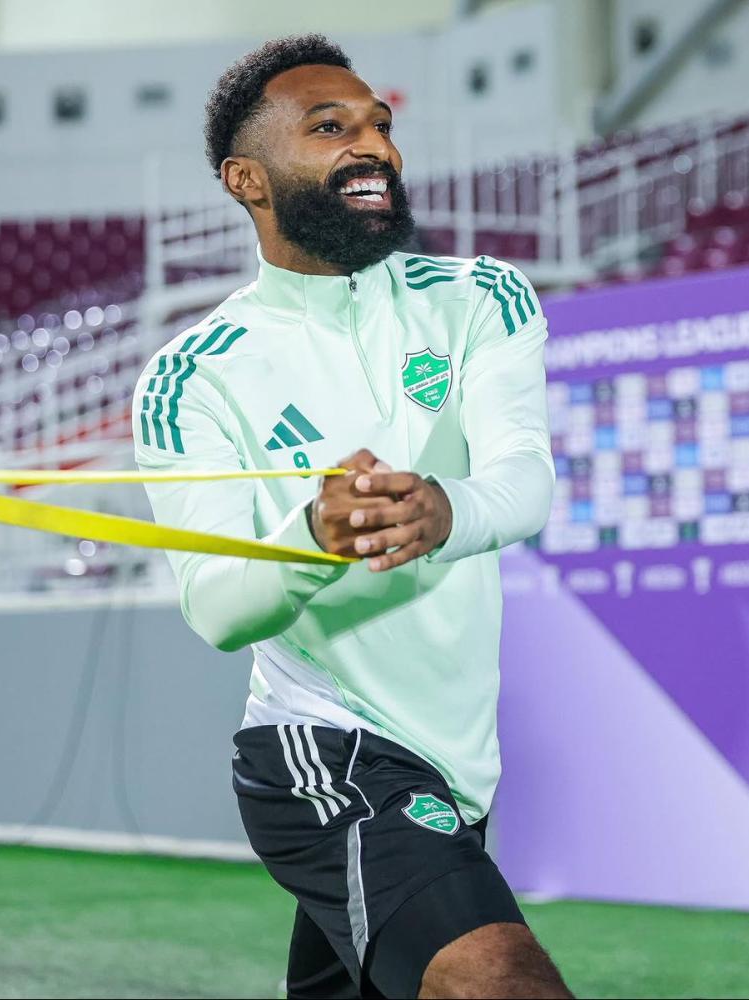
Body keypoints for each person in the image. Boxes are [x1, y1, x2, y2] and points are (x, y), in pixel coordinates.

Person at [133, 33, 571, 1000]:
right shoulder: (192, 377)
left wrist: (445, 506)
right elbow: (217, 607)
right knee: (499, 980)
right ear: (246, 179)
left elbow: (524, 480)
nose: (371, 144)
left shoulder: (480, 298)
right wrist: (312, 539)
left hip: (455, 765)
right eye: (328, 128)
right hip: (321, 745)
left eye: (378, 124)